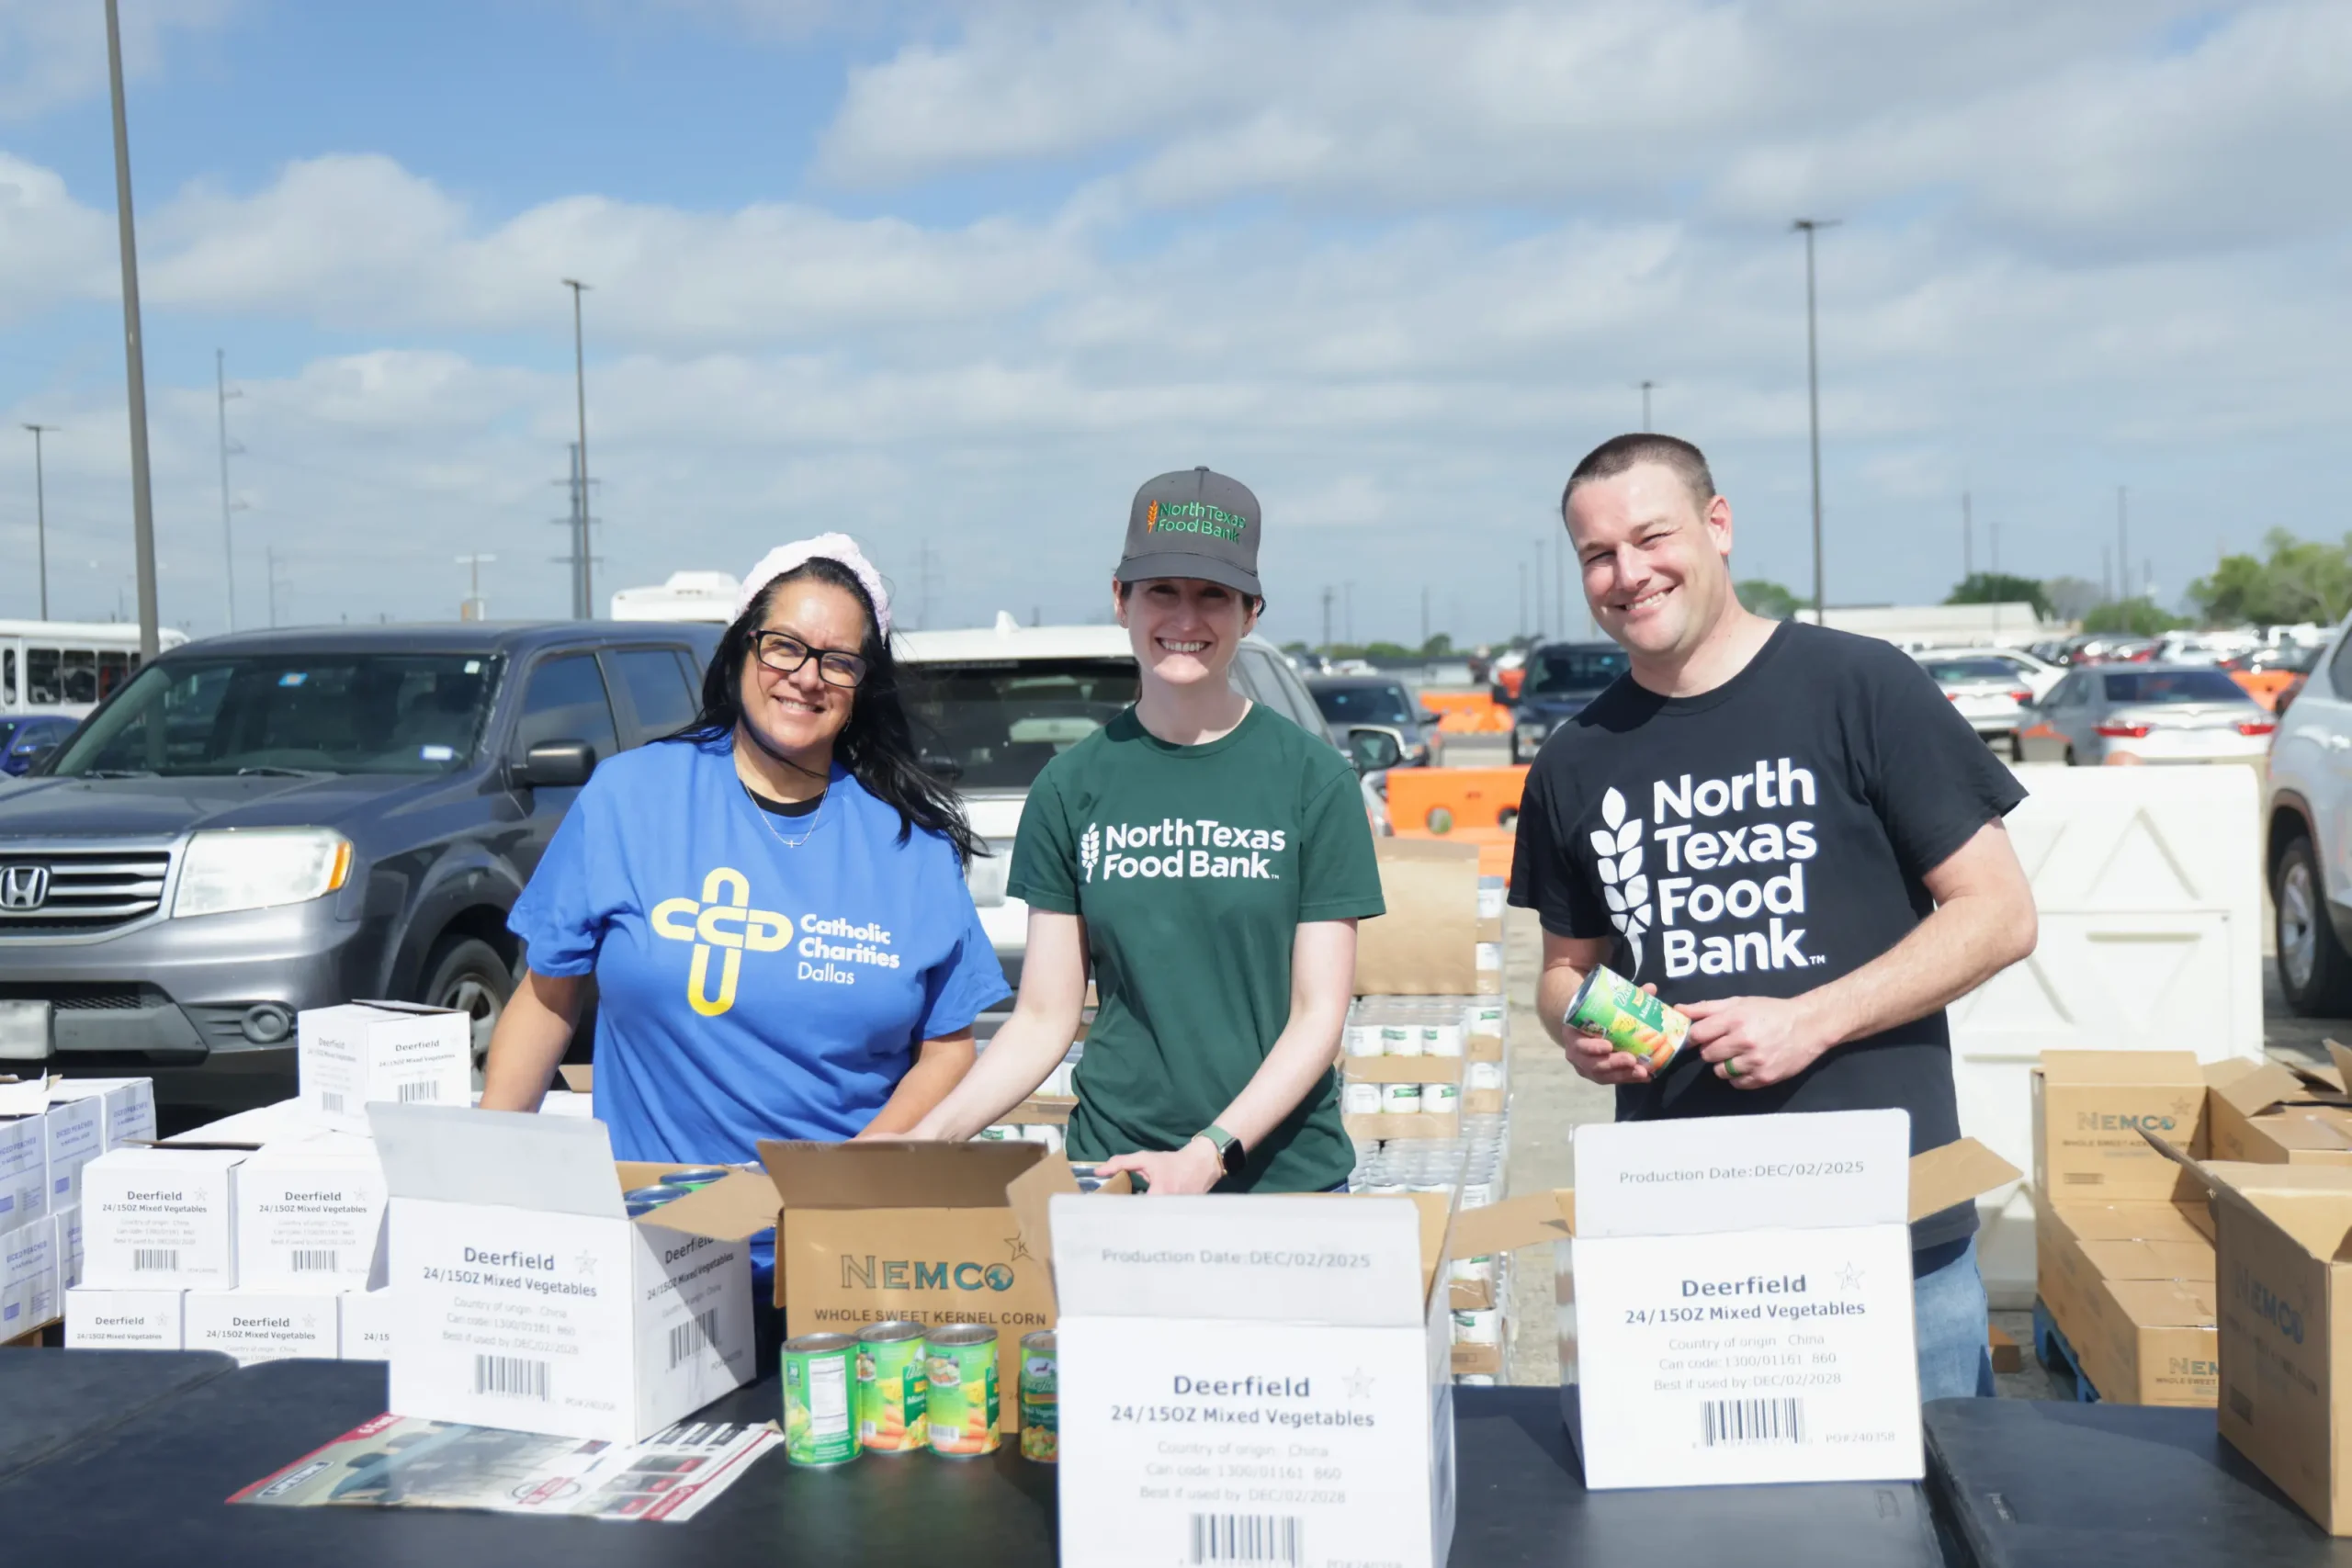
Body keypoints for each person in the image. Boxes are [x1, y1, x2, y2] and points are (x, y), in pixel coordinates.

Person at [1511, 434, 2038, 1401]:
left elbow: (2000, 914)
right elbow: (1560, 972)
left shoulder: (1861, 688)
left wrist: (1811, 1018)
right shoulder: (1575, 759)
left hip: (1890, 1242)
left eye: (1649, 537)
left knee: (1933, 1535)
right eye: (1596, 554)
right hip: (1683, 1255)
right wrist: (1579, 1028)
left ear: (1716, 526)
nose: (1627, 574)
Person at [480, 533, 1010, 1213]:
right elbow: (548, 998)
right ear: (740, 647)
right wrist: (486, 1173)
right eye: (784, 645)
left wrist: (845, 1181)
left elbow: (947, 1051)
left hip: (835, 1242)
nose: (807, 676)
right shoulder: (629, 798)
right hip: (657, 1240)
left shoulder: (911, 842)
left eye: (839, 660)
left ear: (862, 683)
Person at [910, 467, 1384, 1194]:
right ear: (1120, 599)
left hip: (1284, 1182)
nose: (1186, 620)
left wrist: (1208, 1153)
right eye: (1163, 589)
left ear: (1251, 611)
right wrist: (925, 1141)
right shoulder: (1071, 789)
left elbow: (1319, 1016)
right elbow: (1042, 1015)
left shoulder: (1312, 782)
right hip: (1119, 1176)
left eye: (1213, 595)